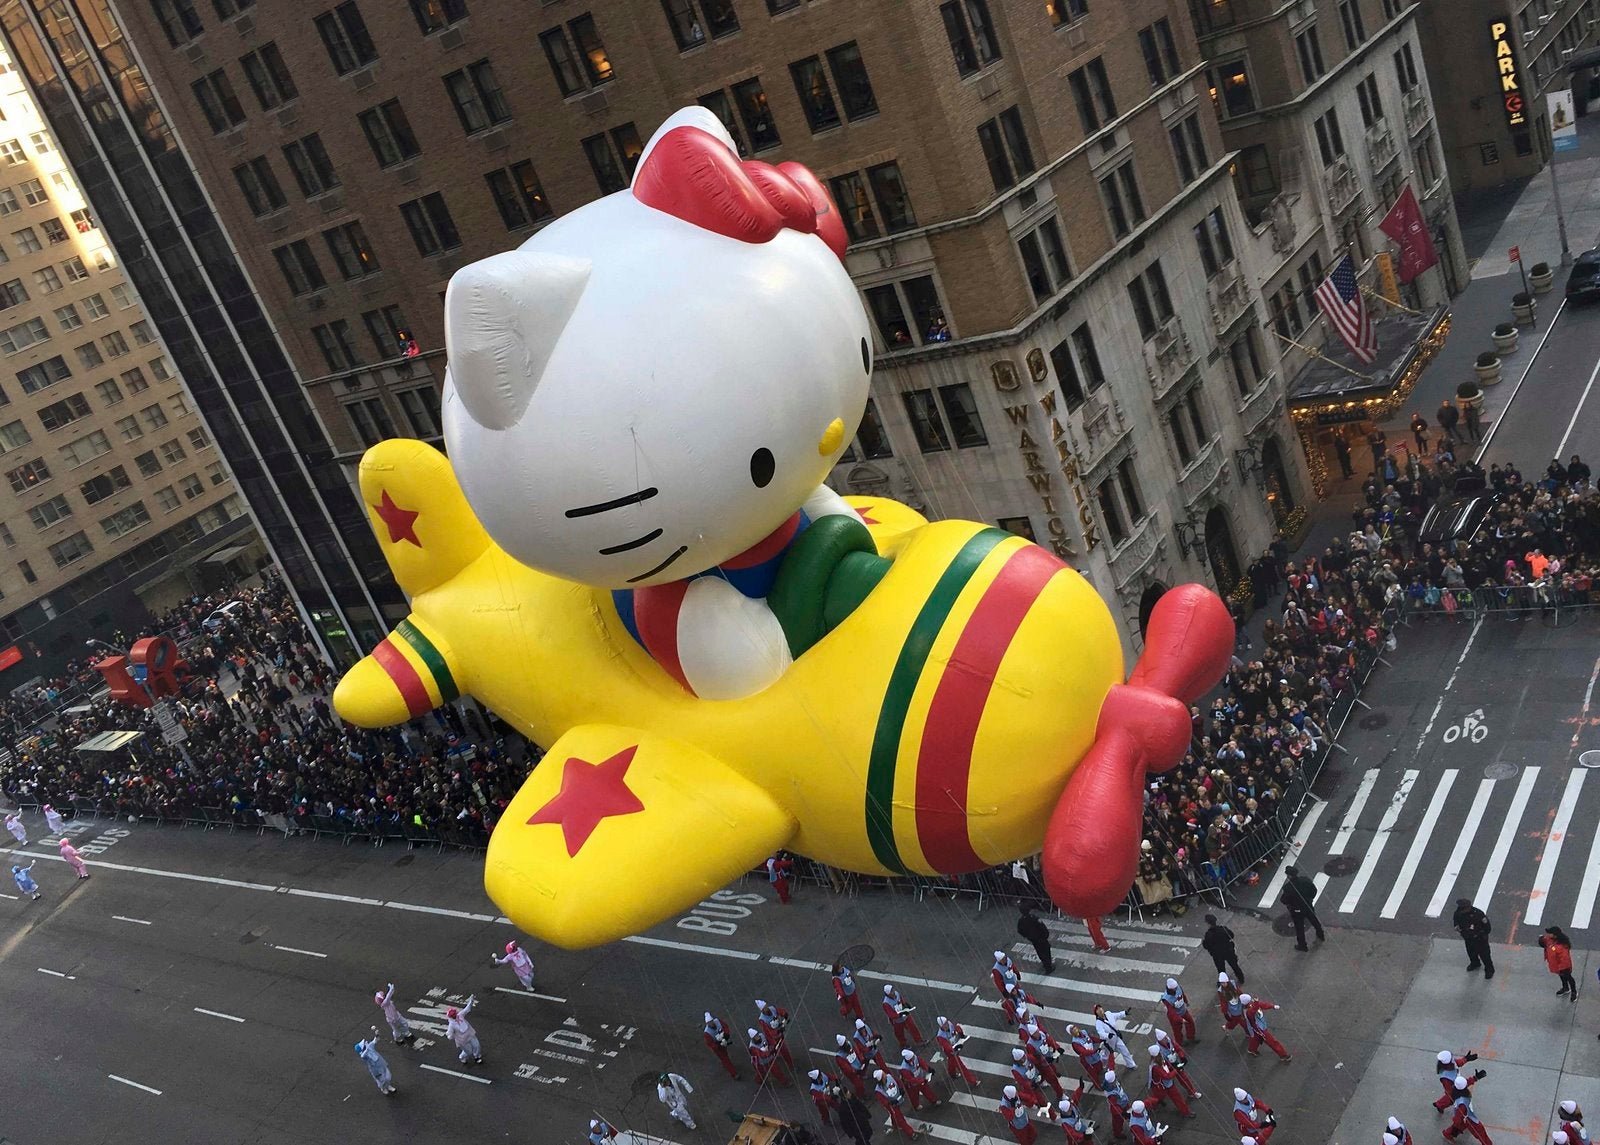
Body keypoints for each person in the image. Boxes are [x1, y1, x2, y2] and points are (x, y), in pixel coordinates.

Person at [1279, 865, 1325, 950]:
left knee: (1299, 928)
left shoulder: (1287, 888)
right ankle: (1321, 935)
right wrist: (1310, 899)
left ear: (1289, 876)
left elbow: (1284, 900)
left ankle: (1302, 945)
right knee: (1314, 920)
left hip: (1296, 910)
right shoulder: (1305, 880)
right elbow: (1314, 890)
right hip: (1308, 906)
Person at [1238, 994, 1292, 1061]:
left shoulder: (1248, 1007)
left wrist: (1272, 1006)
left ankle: (1252, 1049)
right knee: (1272, 1041)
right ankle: (1283, 1055)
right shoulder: (1249, 1011)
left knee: (1255, 1038)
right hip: (1260, 1029)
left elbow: (1261, 1005)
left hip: (1255, 1028)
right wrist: (1257, 1002)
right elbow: (1256, 1008)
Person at [1146, 1044, 1194, 1118]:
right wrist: (1176, 1070)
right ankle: (1146, 1106)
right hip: (1164, 1086)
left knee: (1158, 1098)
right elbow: (1167, 1076)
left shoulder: (1156, 1062)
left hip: (1159, 1087)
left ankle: (1185, 1111)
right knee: (1176, 1098)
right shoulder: (1156, 1067)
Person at [1444, 1075, 1493, 1144]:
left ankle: (1448, 1133)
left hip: (1464, 1115)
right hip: (1468, 1118)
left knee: (1460, 1125)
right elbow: (1458, 1117)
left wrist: (1475, 1078)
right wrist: (1456, 1125)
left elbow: (1466, 1083)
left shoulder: (1456, 1090)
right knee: (1480, 1131)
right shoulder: (1462, 1103)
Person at [872, 1068, 919, 1139]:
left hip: (897, 1098)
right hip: (892, 1105)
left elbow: (898, 1081)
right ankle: (911, 1133)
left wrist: (901, 1088)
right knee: (900, 1119)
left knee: (894, 1115)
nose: (886, 1075)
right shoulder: (878, 1090)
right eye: (884, 1074)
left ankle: (894, 1124)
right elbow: (883, 1101)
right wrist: (890, 1102)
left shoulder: (889, 1077)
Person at [1453, 898, 1495, 977]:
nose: (1461, 910)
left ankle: (1489, 970)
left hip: (1480, 939)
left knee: (1485, 955)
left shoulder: (1478, 914)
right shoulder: (1458, 913)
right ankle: (1475, 963)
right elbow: (1456, 921)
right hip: (1468, 938)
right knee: (1471, 952)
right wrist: (1458, 928)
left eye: (1463, 909)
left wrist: (1482, 935)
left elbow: (1487, 927)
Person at [1152, 1029, 1199, 1097]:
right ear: (1160, 1040)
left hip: (1175, 1063)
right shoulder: (1158, 1049)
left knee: (1184, 1078)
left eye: (1166, 1037)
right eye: (1165, 1038)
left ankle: (1192, 1092)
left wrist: (1182, 1056)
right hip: (1167, 1067)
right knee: (1169, 1084)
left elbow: (1177, 1048)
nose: (1167, 1038)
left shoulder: (1169, 1040)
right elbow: (1160, 1062)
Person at [935, 1016, 978, 1087]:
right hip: (950, 1051)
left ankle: (952, 1073)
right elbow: (946, 1046)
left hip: (954, 1045)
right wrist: (955, 1049)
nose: (946, 1025)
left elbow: (956, 1027)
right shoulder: (940, 1036)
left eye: (946, 1023)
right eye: (944, 1025)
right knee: (960, 1066)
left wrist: (960, 1032)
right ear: (941, 1026)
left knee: (952, 1061)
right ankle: (973, 1080)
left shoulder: (950, 1024)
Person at [1202, 915, 1245, 983]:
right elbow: (1231, 935)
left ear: (1208, 923)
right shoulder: (1223, 929)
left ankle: (1223, 982)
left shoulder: (1208, 934)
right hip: (1228, 951)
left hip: (1217, 955)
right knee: (1234, 965)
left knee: (1221, 969)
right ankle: (1241, 978)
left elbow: (1206, 946)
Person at [354, 1029, 397, 1095]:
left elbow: (375, 1040)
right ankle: (383, 1088)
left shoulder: (369, 1046)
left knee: (388, 1076)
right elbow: (362, 1056)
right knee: (381, 1080)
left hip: (382, 1064)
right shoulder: (364, 1056)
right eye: (364, 1045)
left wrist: (377, 1034)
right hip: (376, 1070)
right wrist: (366, 1048)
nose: (366, 1044)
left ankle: (388, 1086)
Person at [1541, 926, 1578, 1000]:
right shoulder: (1552, 940)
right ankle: (1565, 988)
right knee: (1562, 976)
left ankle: (1574, 992)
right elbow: (1545, 941)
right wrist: (1541, 940)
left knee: (1568, 978)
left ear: (1554, 935)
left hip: (1563, 966)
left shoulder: (1562, 947)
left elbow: (1565, 959)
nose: (1548, 935)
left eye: (1550, 933)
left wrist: (1562, 968)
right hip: (1557, 965)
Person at [1158, 977, 1197, 1047]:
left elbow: (1182, 994)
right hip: (1175, 1017)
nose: (1176, 989)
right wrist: (1181, 1020)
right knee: (1177, 1031)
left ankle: (1191, 1037)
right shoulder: (1166, 999)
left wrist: (1186, 1001)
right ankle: (1180, 1042)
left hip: (1183, 1011)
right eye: (1174, 988)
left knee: (1190, 1022)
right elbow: (1172, 1013)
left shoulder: (1178, 987)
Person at [1092, 1003, 1134, 1068]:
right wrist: (1107, 1035)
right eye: (1097, 1009)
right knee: (1106, 1057)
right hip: (1108, 1042)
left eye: (1100, 1007)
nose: (1099, 1010)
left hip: (1116, 1038)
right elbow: (1101, 1033)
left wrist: (1124, 1013)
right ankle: (1101, 1065)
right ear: (1096, 1013)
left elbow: (1117, 1015)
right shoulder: (1098, 1023)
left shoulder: (1108, 1013)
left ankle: (1131, 1065)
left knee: (1124, 1050)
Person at [757, 999, 795, 1069]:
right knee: (784, 1050)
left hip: (777, 1031)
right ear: (762, 1010)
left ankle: (776, 1053)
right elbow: (768, 1031)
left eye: (766, 1006)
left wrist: (784, 1014)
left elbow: (779, 1010)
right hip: (772, 1037)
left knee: (778, 1048)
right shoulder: (762, 1020)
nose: (767, 1008)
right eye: (764, 1008)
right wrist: (778, 1031)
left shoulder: (772, 1009)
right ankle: (791, 1064)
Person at [445, 996, 482, 1065]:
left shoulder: (460, 1015)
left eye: (454, 1014)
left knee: (476, 1045)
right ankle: (462, 1057)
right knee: (468, 1051)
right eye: (453, 1015)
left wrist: (471, 1001)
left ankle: (477, 1056)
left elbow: (467, 1009)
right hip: (462, 1040)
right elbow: (450, 1033)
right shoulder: (451, 1025)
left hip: (470, 1033)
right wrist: (450, 1036)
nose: (454, 1015)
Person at [1017, 905, 1054, 972]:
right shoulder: (1034, 918)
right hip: (1041, 938)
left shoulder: (1021, 920)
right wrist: (1046, 935)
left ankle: (1045, 963)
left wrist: (1026, 936)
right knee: (1046, 951)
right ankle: (1048, 967)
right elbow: (1042, 927)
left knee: (1039, 952)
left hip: (1033, 939)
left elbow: (1020, 930)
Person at [703, 1012, 739, 1079]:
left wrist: (726, 1035)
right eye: (709, 1023)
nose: (712, 1023)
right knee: (725, 1058)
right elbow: (710, 1043)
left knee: (725, 1055)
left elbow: (725, 1027)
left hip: (722, 1040)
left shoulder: (718, 1021)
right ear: (707, 1024)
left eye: (712, 1021)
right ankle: (734, 1073)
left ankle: (724, 1064)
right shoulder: (707, 1033)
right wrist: (718, 1045)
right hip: (717, 1047)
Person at [1101, 1069, 1133, 1139]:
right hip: (1119, 1110)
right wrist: (1122, 1113)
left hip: (1123, 1104)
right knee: (1118, 1123)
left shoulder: (1113, 1084)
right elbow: (1114, 1107)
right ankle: (1117, 1134)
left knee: (1130, 1114)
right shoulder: (1111, 1095)